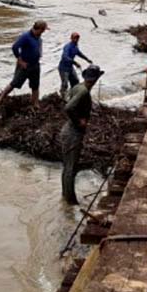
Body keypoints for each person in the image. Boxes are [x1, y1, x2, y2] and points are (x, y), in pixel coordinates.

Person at [60, 64, 104, 204]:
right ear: (95, 79)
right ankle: (71, 203)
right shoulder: (84, 92)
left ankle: (65, 197)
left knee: (67, 167)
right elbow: (68, 107)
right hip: (73, 133)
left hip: (67, 130)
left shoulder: (78, 86)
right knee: (71, 169)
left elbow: (67, 99)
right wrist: (79, 121)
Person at [0, 20, 48, 110]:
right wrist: (20, 61)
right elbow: (15, 47)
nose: (44, 32)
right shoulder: (26, 36)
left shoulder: (39, 37)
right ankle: (0, 98)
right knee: (14, 83)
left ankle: (35, 103)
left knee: (35, 85)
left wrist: (39, 54)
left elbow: (39, 48)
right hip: (25, 65)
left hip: (35, 65)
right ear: (38, 29)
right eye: (43, 30)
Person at [58, 32, 92, 98]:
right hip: (63, 68)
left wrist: (87, 59)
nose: (76, 40)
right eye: (74, 38)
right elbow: (65, 57)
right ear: (71, 38)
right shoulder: (68, 47)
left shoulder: (75, 46)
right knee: (65, 84)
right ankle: (62, 97)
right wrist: (75, 63)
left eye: (77, 38)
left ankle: (72, 96)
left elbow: (79, 53)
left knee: (76, 81)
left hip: (70, 67)